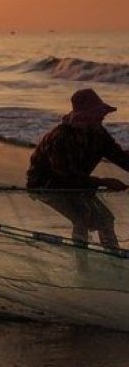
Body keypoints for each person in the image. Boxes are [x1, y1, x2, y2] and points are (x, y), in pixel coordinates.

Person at [27, 88, 129, 250]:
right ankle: (85, 260)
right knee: (85, 218)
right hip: (46, 185)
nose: (102, 117)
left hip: (76, 182)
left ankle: (112, 254)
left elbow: (120, 157)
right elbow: (64, 174)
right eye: (97, 114)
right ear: (86, 117)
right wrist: (103, 182)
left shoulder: (98, 133)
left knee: (104, 219)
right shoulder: (61, 137)